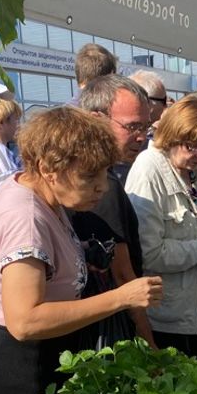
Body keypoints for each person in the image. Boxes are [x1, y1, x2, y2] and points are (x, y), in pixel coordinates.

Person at [0, 107, 162, 394]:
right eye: (88, 177)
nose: (101, 188)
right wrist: (121, 297)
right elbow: (24, 321)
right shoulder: (24, 218)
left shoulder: (41, 196)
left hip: (32, 355)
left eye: (105, 174)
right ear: (46, 169)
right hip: (12, 367)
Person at [125, 95, 197, 357]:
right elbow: (150, 254)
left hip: (195, 302)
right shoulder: (149, 171)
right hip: (167, 314)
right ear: (173, 135)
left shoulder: (195, 168)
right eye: (192, 146)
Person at [75, 75, 152, 277]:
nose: (142, 136)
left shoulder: (88, 173)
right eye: (132, 126)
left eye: (145, 127)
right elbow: (122, 274)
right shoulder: (99, 183)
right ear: (96, 120)